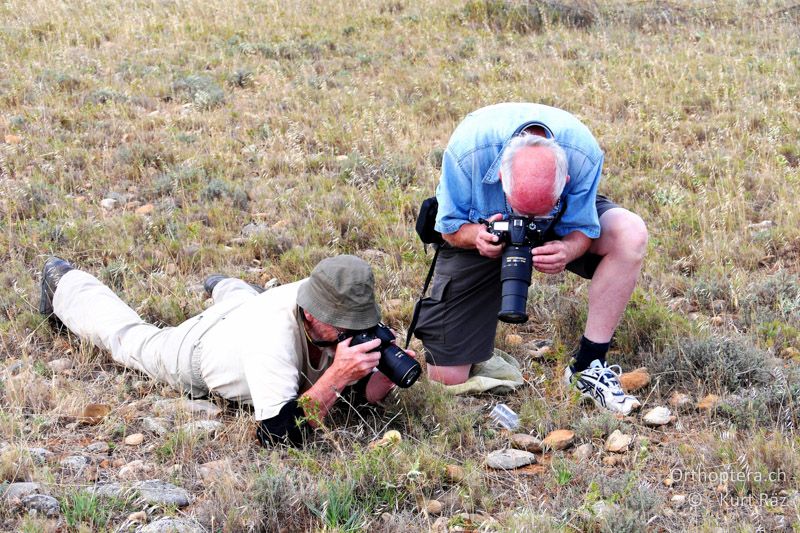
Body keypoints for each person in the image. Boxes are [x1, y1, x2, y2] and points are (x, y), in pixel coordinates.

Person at [414, 103, 648, 415]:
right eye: (520, 208)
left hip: (560, 227)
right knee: (446, 377)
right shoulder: (467, 150)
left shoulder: (583, 153)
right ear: (500, 178)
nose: (527, 221)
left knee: (629, 232)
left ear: (564, 182)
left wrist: (568, 249)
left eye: (541, 211)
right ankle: (472, 348)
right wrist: (477, 237)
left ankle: (589, 365)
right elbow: (448, 228)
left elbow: (584, 226)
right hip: (482, 229)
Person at [38, 254, 399, 446]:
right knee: (131, 341)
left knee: (246, 302)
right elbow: (277, 435)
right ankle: (66, 282)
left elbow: (353, 391)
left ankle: (227, 287)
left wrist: (376, 382)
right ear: (308, 314)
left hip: (247, 312)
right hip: (197, 350)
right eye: (340, 326)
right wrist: (336, 377)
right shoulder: (270, 337)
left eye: (357, 323)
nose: (349, 333)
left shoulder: (330, 295)